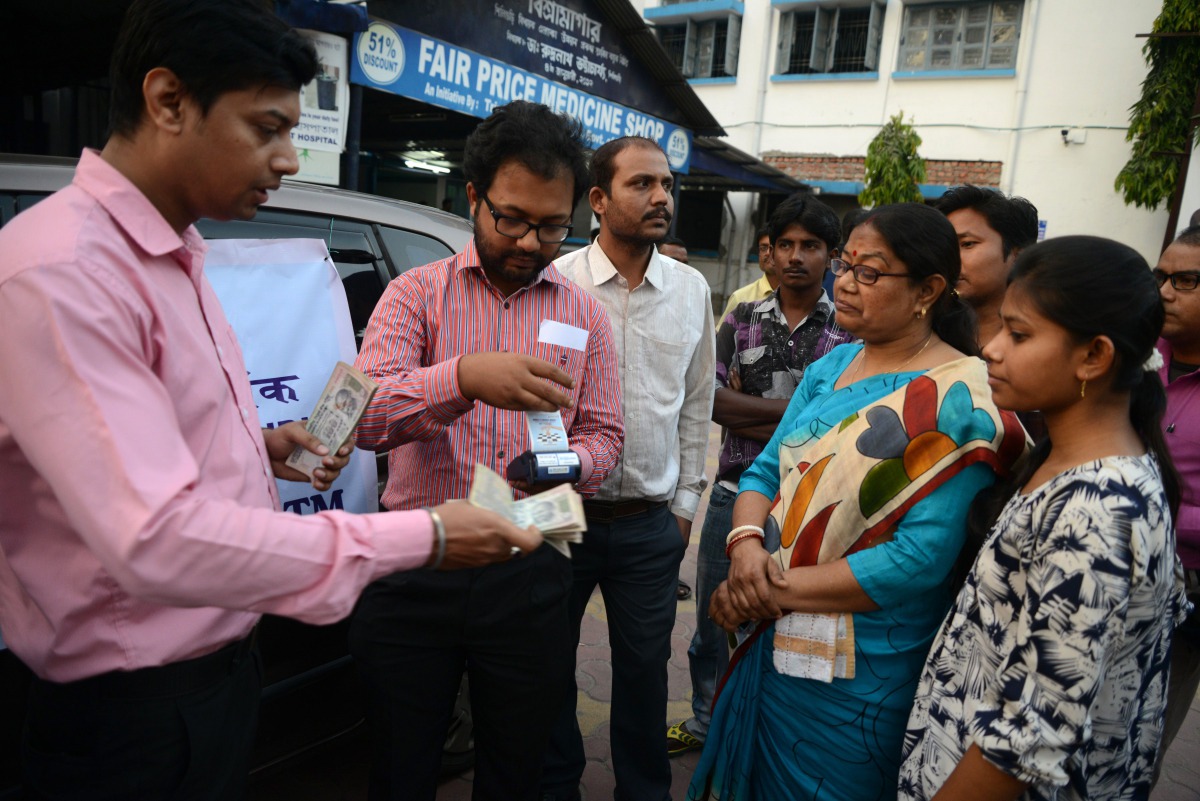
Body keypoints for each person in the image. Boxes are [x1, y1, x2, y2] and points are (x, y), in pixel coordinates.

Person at [0, 2, 539, 799]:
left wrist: (254, 440)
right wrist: (418, 535)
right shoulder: (64, 275)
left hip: (212, 675)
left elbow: (121, 443)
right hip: (126, 713)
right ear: (168, 101)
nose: (289, 159)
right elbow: (154, 537)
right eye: (267, 128)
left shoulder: (174, 251)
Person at [689, 203, 1027, 800]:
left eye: (869, 272)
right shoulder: (834, 366)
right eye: (845, 264)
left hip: (864, 664)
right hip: (770, 629)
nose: (843, 281)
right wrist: (744, 550)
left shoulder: (963, 399)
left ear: (928, 290)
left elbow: (918, 558)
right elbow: (765, 470)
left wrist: (766, 590)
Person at [349, 100, 624, 801]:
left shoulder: (584, 312)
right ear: (472, 197)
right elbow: (366, 417)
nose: (532, 242)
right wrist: (464, 377)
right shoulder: (415, 295)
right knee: (400, 761)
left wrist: (573, 466)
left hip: (530, 558)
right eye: (512, 219)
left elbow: (605, 433)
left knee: (516, 764)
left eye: (553, 226)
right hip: (417, 558)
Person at [899, 235, 1190, 801]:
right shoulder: (1062, 455)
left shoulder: (1097, 511)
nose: (992, 349)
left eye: (1020, 335)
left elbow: (1027, 743)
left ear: (1094, 356)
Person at [543, 136, 715, 801]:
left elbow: (699, 400)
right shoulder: (556, 283)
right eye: (642, 183)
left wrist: (685, 507)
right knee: (548, 664)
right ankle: (556, 785)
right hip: (561, 514)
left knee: (646, 672)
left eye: (667, 185)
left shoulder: (691, 289)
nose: (661, 198)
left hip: (650, 521)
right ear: (598, 199)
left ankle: (643, 792)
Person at [666, 192, 850, 757]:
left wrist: (759, 411)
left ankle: (764, 731)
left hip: (810, 506)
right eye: (787, 244)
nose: (797, 256)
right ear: (771, 250)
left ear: (831, 255)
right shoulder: (743, 316)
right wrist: (802, 414)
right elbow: (713, 401)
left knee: (788, 622)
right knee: (714, 620)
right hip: (731, 496)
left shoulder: (849, 330)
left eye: (811, 246)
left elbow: (844, 422)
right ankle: (706, 721)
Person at [1152, 224, 1200, 785]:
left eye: (1186, 280)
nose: (1165, 292)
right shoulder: (1136, 353)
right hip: (1096, 570)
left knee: (1140, 728)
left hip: (1186, 590)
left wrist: (1143, 510)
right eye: (1161, 276)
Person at [935, 185, 1038, 345]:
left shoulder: (1045, 337)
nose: (951, 258)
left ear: (1018, 255)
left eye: (967, 244)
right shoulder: (924, 333)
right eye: (947, 246)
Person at [722, 226, 777, 318]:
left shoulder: (802, 298)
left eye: (772, 247)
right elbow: (722, 332)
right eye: (763, 248)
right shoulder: (740, 298)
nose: (768, 253)